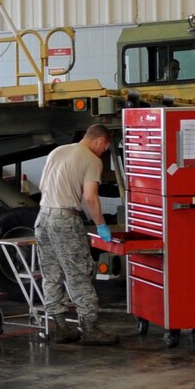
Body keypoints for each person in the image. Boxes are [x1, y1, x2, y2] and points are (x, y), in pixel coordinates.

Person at [34, 124, 119, 345]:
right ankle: (90, 328)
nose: (103, 152)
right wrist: (101, 225)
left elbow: (42, 185)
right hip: (65, 219)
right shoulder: (92, 160)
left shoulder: (58, 151)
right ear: (101, 141)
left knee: (51, 273)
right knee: (79, 273)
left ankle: (61, 328)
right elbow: (90, 197)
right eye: (105, 148)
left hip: (43, 218)